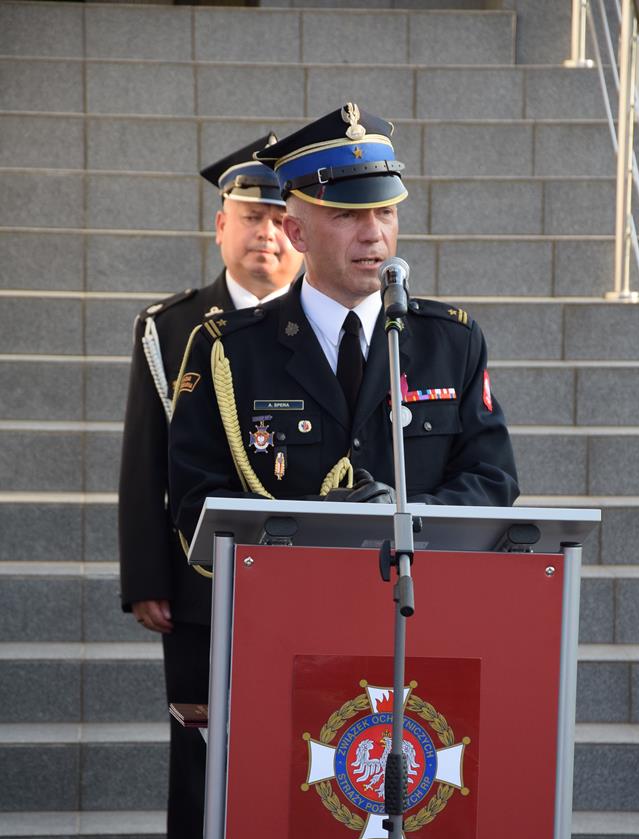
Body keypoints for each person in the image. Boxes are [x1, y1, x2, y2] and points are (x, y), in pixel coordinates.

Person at [118, 134, 303, 839]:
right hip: (201, 586)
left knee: (311, 751)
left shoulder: (331, 323)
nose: (267, 232)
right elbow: (143, 459)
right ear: (218, 223)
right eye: (251, 216)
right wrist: (147, 576)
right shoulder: (170, 328)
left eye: (282, 216)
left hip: (316, 583)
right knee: (201, 766)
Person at [169, 103, 518, 543]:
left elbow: (492, 480)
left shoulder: (451, 341)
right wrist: (319, 526)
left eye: (385, 212)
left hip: (416, 597)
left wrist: (405, 515)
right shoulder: (229, 351)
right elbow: (195, 499)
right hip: (290, 600)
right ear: (298, 234)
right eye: (347, 215)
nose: (373, 233)